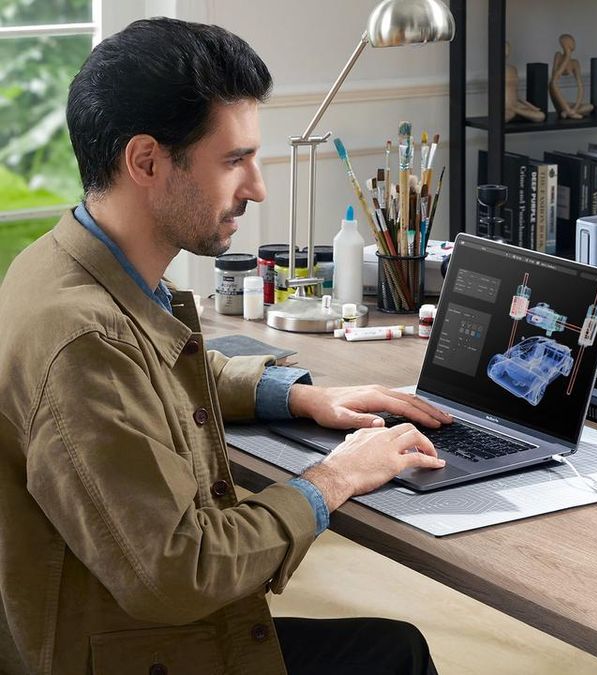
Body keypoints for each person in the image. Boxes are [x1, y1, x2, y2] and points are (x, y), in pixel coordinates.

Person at [0, 18, 453, 675]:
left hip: (121, 635)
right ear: (147, 161)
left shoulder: (64, 264)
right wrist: (336, 475)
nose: (258, 186)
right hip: (138, 649)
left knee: (395, 647)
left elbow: (151, 375)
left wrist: (301, 397)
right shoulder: (81, 343)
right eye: (233, 159)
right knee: (395, 656)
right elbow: (182, 570)